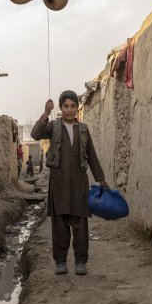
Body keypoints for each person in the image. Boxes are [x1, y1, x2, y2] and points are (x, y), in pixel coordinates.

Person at [31, 90, 108, 276]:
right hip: (58, 183)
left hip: (79, 184)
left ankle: (81, 261)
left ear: (77, 108)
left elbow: (91, 155)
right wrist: (45, 114)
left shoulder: (83, 129)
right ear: (60, 108)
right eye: (66, 106)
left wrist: (100, 177)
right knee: (59, 225)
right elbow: (35, 134)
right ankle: (60, 261)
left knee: (80, 224)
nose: (70, 110)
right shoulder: (53, 126)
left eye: (73, 106)